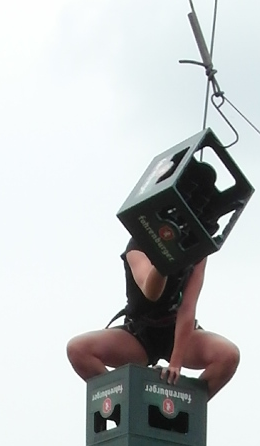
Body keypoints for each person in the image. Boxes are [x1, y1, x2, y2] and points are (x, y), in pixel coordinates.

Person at [66, 161, 241, 396]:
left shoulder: (198, 250)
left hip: (177, 332)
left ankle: (185, 404)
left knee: (227, 355)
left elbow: (188, 307)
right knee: (78, 349)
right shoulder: (137, 245)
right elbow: (151, 292)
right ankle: (125, 400)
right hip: (140, 333)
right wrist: (165, 256)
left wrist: (175, 363)